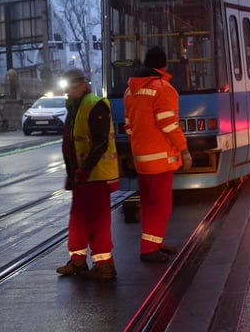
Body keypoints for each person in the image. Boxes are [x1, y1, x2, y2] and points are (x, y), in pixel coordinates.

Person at [123, 46, 192, 263]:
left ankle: (155, 242)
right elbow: (169, 125)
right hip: (160, 158)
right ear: (164, 66)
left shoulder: (130, 90)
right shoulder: (163, 88)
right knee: (161, 206)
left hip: (141, 158)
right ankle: (149, 249)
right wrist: (184, 150)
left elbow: (128, 125)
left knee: (149, 203)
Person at [55, 68, 120, 280]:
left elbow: (100, 143)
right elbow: (72, 142)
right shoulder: (74, 106)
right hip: (82, 175)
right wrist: (72, 172)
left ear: (83, 84)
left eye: (72, 87)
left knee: (97, 221)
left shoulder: (94, 105)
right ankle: (78, 260)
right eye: (67, 88)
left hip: (96, 175)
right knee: (79, 219)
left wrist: (84, 170)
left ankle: (104, 266)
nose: (68, 92)